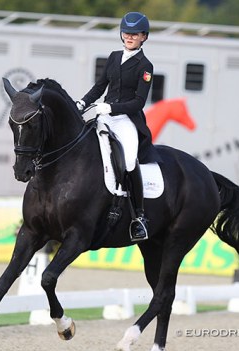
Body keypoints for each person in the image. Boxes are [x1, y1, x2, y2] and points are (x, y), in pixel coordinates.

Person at [76, 11, 161, 242]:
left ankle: (139, 217)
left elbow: (138, 102)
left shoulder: (145, 66)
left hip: (126, 120)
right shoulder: (113, 57)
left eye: (135, 34)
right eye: (126, 33)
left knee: (130, 159)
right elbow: (100, 86)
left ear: (144, 37)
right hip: (104, 115)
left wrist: (112, 109)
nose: (129, 37)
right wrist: (83, 102)